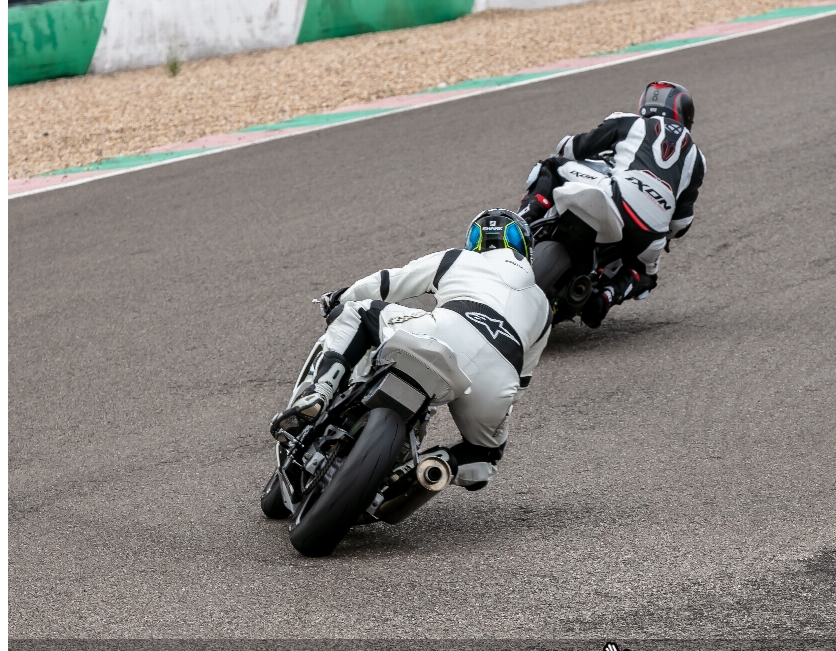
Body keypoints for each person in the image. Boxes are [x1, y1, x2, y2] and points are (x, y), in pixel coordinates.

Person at [270, 209, 550, 491]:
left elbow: (389, 283)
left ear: (474, 241)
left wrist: (340, 297)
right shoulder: (543, 306)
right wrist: (496, 406)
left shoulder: (459, 258)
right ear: (526, 249)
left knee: (358, 312)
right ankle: (426, 469)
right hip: (495, 380)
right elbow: (522, 382)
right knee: (485, 457)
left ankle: (319, 393)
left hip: (444, 333)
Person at [519, 81, 707, 327]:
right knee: (645, 275)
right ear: (685, 114)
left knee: (551, 166)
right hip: (650, 231)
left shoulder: (628, 121)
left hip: (619, 196)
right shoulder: (697, 159)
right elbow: (681, 224)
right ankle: (606, 296)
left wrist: (566, 142)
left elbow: (573, 149)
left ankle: (521, 224)